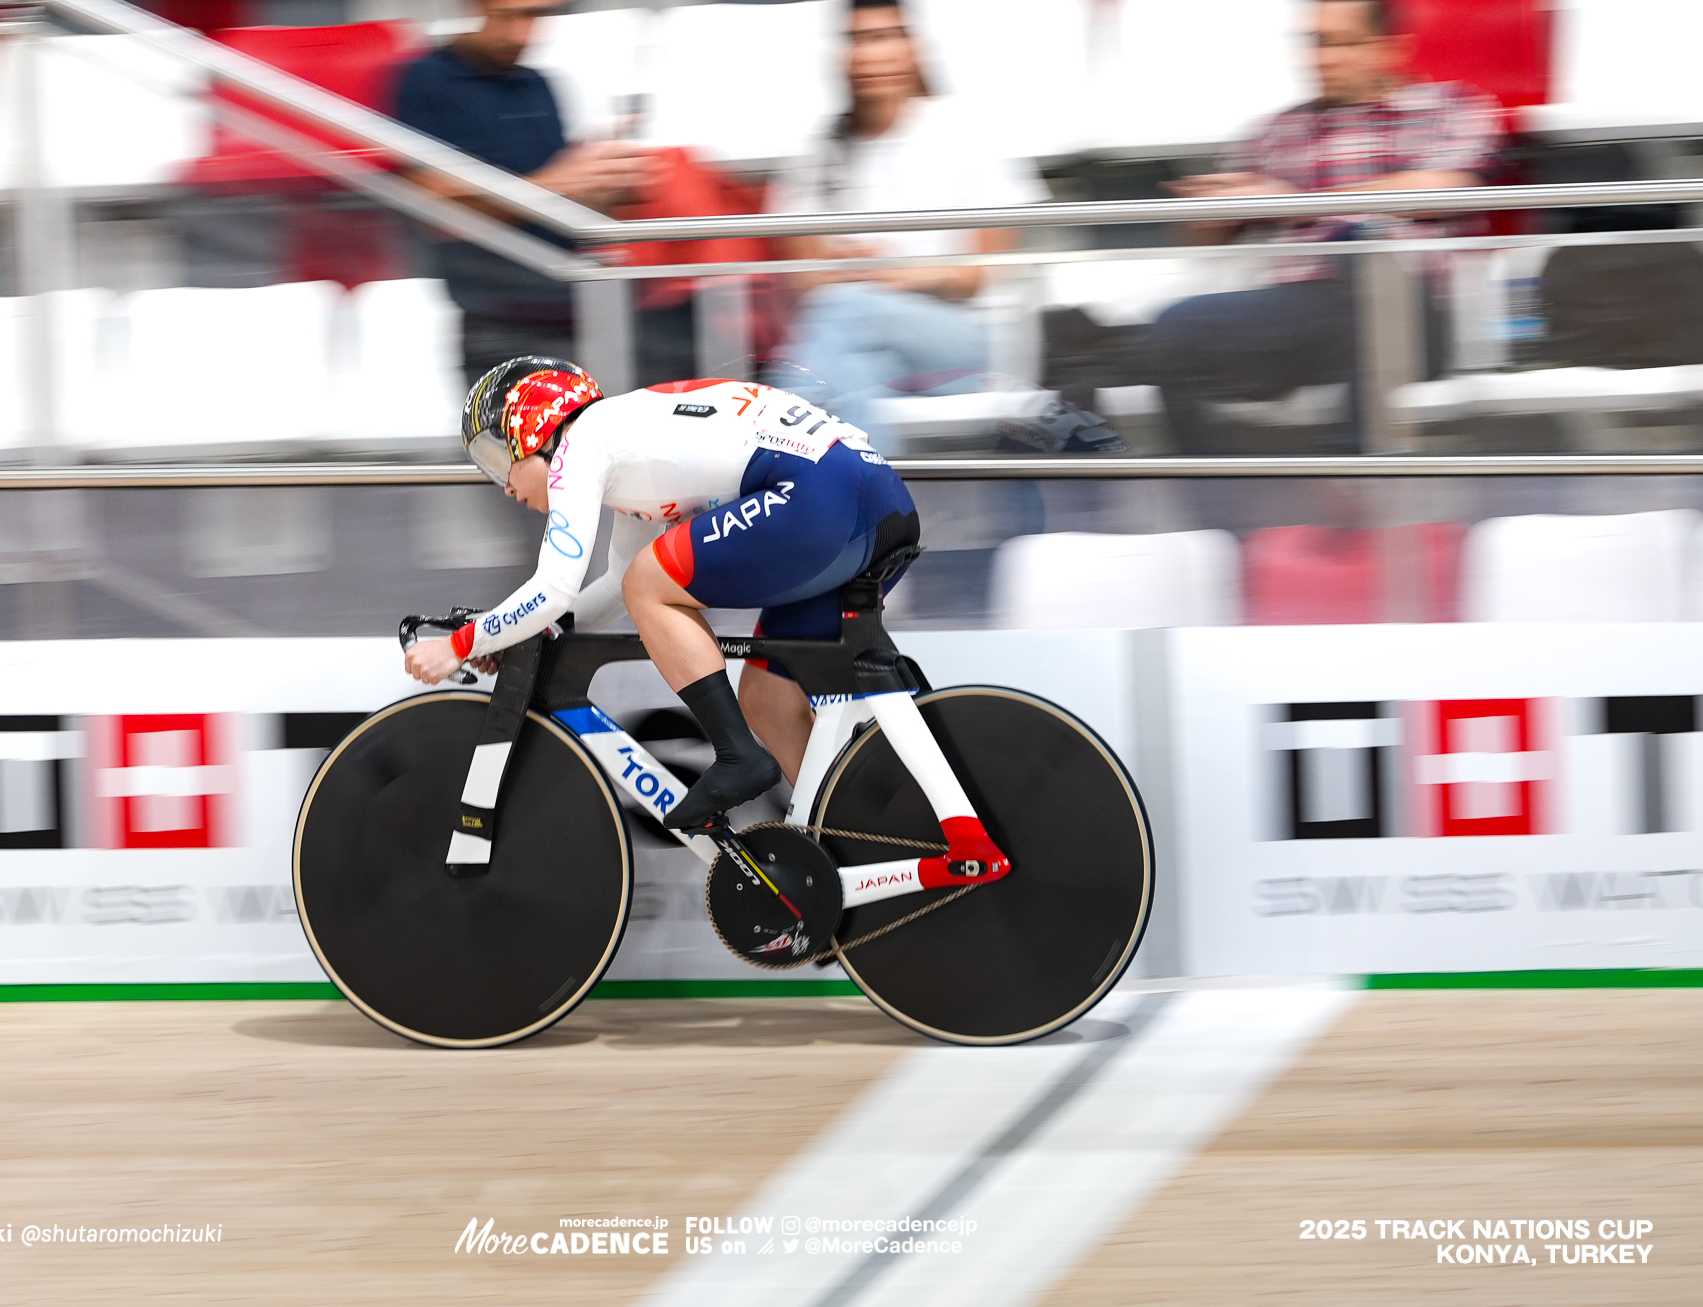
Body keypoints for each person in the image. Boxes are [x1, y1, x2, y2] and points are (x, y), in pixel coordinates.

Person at [402, 357, 929, 833]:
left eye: (497, 460)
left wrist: (460, 645)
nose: (505, 487)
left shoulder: (582, 443)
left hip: (824, 495)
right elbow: (614, 583)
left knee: (651, 584)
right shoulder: (630, 446)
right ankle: (848, 841)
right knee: (767, 700)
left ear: (531, 427)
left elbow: (557, 587)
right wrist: (520, 634)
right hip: (868, 496)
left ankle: (737, 756)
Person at [1147, 0, 1502, 452]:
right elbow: (1206, 238)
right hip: (1302, 309)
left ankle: (1351, 481)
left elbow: (1445, 187)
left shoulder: (1448, 108)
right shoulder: (1276, 132)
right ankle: (1218, 499)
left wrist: (1291, 203)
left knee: (1363, 250)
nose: (1322, 59)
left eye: (1340, 43)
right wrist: (1210, 208)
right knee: (1173, 330)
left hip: (1410, 304)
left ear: (1391, 48)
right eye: (1314, 43)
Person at [766, 0, 1095, 452]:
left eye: (881, 39)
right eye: (855, 40)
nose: (866, 55)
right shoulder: (818, 152)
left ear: (913, 49)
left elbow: (979, 273)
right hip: (867, 342)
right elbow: (801, 280)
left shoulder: (967, 131)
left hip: (969, 342)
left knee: (841, 321)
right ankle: (887, 515)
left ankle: (779, 428)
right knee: (851, 380)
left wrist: (897, 274)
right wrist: (861, 275)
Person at [393, 0, 663, 382]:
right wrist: (561, 182)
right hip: (498, 310)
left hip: (571, 299)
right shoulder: (426, 80)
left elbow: (552, 200)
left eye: (537, 15)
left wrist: (604, 182)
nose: (522, 34)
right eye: (507, 16)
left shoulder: (537, 85)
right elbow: (436, 211)